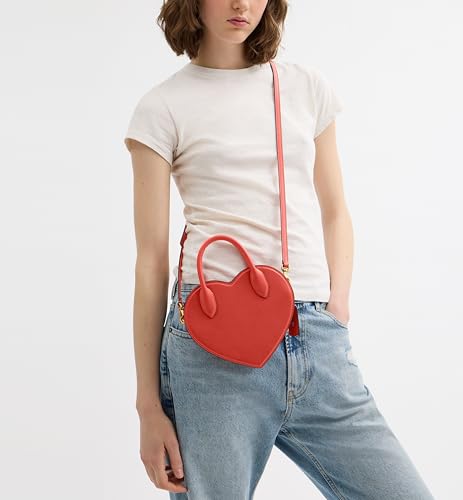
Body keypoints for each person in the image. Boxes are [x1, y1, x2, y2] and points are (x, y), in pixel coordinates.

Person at [123, 1, 435, 498]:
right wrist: (148, 407)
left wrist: (336, 306)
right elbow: (151, 260)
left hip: (315, 336)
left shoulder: (305, 88)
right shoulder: (162, 107)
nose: (241, 4)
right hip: (212, 352)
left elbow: (335, 210)